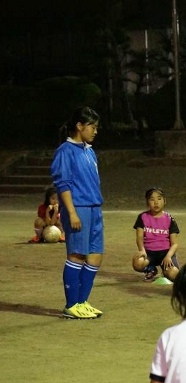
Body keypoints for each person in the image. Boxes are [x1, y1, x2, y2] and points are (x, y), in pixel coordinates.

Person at [50, 106, 104, 320]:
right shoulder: (65, 151)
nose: (95, 131)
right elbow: (63, 184)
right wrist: (71, 213)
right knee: (77, 255)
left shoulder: (89, 151)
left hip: (94, 207)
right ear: (79, 126)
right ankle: (72, 304)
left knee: (95, 256)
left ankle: (82, 301)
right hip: (78, 208)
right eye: (92, 126)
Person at [132, 187, 180, 282]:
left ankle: (165, 272)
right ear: (147, 202)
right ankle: (151, 269)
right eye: (152, 199)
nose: (156, 202)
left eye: (159, 199)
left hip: (165, 253)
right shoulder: (142, 217)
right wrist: (142, 250)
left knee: (174, 275)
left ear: (164, 201)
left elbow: (175, 243)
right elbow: (139, 237)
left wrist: (168, 256)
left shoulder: (170, 219)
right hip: (149, 253)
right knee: (137, 263)